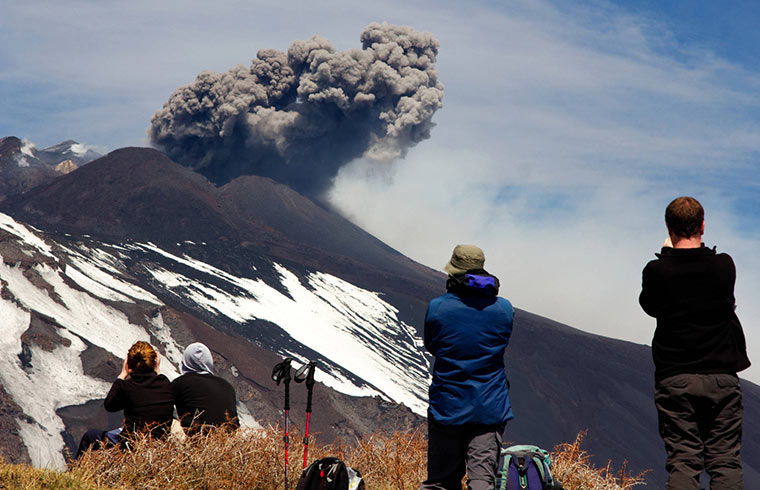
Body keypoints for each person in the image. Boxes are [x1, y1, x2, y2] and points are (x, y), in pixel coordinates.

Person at [639, 196, 751, 490]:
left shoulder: (657, 271)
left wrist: (666, 254)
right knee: (725, 461)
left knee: (684, 461)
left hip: (676, 378)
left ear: (668, 226)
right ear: (703, 226)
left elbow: (649, 305)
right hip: (721, 378)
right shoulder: (724, 266)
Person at [421, 244, 514, 490]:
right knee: (483, 480)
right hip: (489, 406)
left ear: (453, 271)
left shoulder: (438, 308)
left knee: (441, 481)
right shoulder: (504, 309)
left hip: (448, 405)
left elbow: (433, 346)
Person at [76, 341, 174, 458]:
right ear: (154, 362)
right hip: (158, 445)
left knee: (90, 436)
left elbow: (110, 405)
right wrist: (156, 368)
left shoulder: (127, 387)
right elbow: (158, 380)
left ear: (129, 364)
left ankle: (75, 471)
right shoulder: (165, 383)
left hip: (131, 446)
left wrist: (122, 375)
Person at [171, 342, 239, 434]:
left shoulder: (180, 383)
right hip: (226, 442)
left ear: (185, 362)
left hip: (196, 441)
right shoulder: (226, 385)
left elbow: (159, 406)